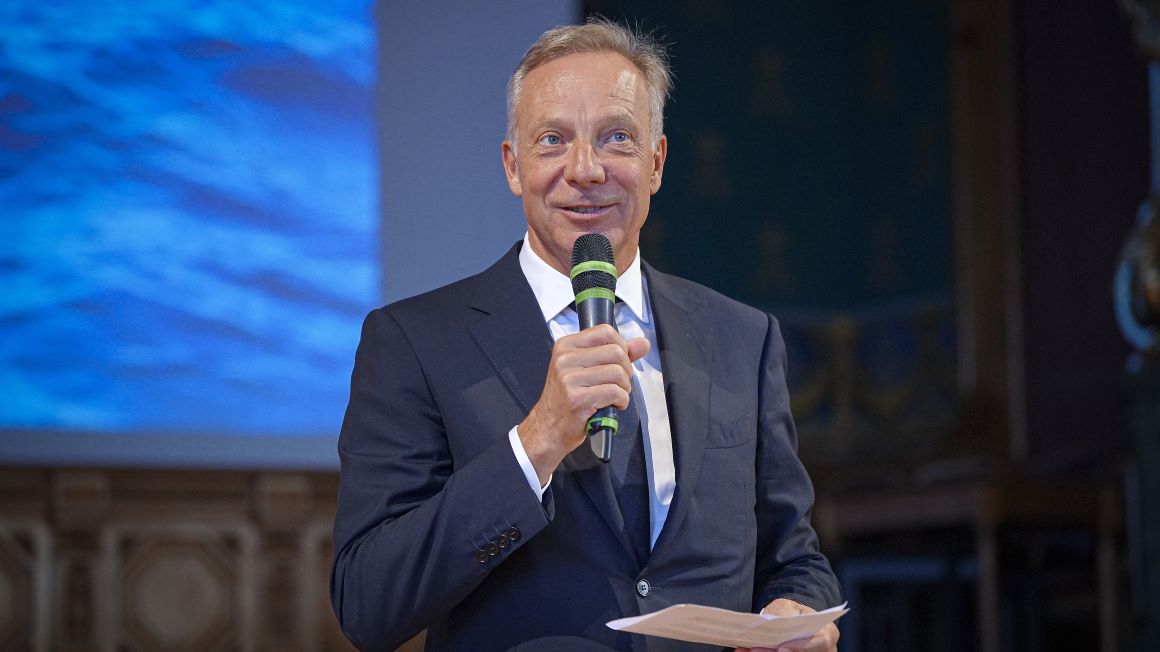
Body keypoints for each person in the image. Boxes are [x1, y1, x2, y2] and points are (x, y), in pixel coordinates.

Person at [331, 19, 842, 652]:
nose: (585, 170)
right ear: (513, 166)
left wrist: (796, 611)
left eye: (616, 138)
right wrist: (538, 441)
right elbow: (368, 603)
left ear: (655, 163)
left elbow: (794, 558)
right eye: (553, 141)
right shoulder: (413, 342)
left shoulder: (743, 336)